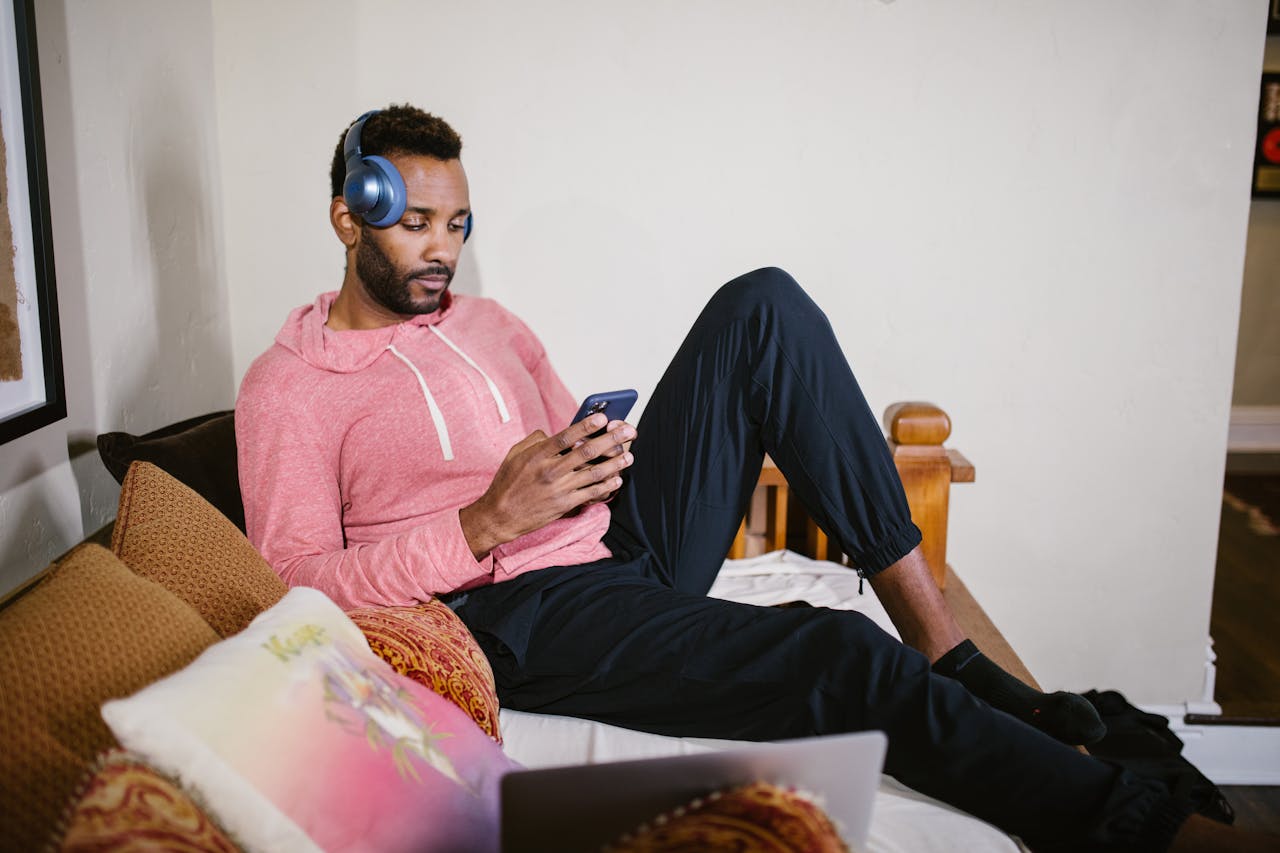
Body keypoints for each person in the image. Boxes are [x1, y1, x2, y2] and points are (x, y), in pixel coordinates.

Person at [236, 104, 1273, 852]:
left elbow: (560, 442)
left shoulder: (488, 323)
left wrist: (591, 459)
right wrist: (479, 520)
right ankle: (1134, 828)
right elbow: (295, 574)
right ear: (345, 218)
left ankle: (944, 649)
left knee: (760, 304)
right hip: (509, 608)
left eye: (456, 224)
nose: (442, 250)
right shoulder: (289, 387)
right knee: (831, 649)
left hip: (604, 544)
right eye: (414, 222)